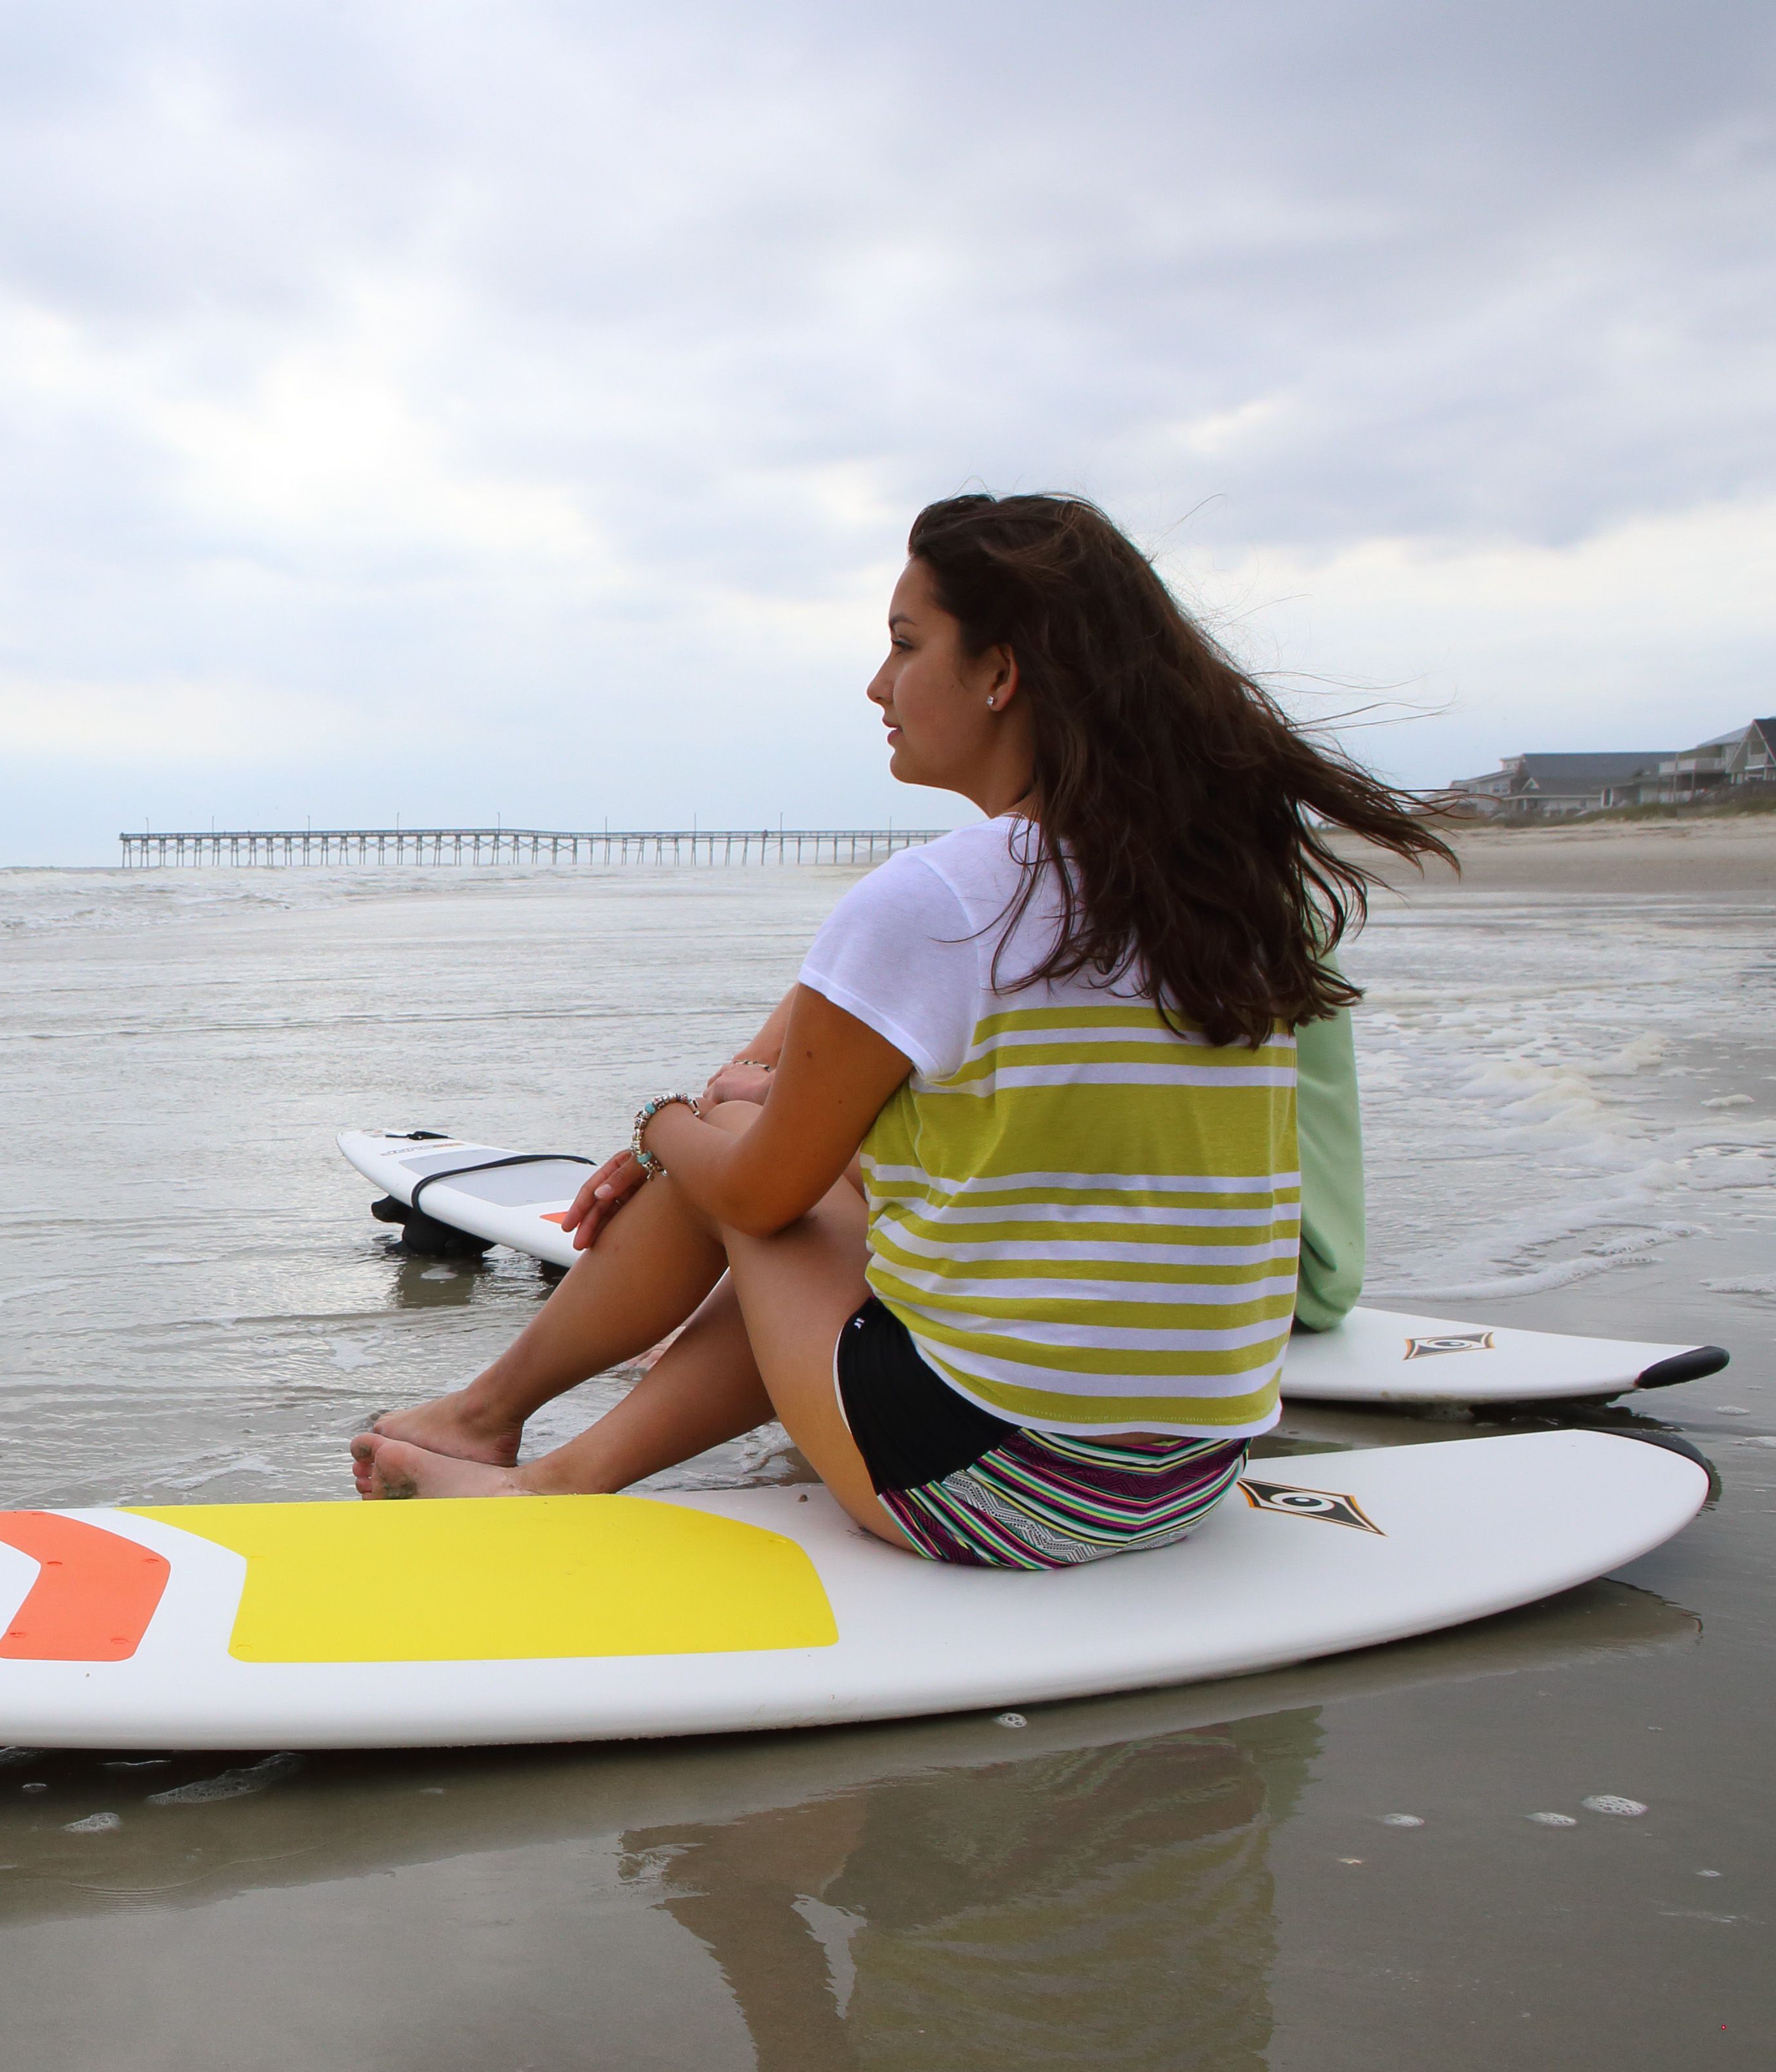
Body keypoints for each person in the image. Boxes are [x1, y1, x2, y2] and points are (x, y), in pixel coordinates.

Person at [354, 492, 1451, 1568]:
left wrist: (664, 1124)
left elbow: (755, 1198)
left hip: (1003, 1489)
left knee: (739, 1169)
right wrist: (736, 1112)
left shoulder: (941, 897)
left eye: (904, 644)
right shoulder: (1220, 890)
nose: (878, 685)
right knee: (783, 1155)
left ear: (1001, 673)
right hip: (1183, 1478)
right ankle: (510, 1439)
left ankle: (530, 1462)